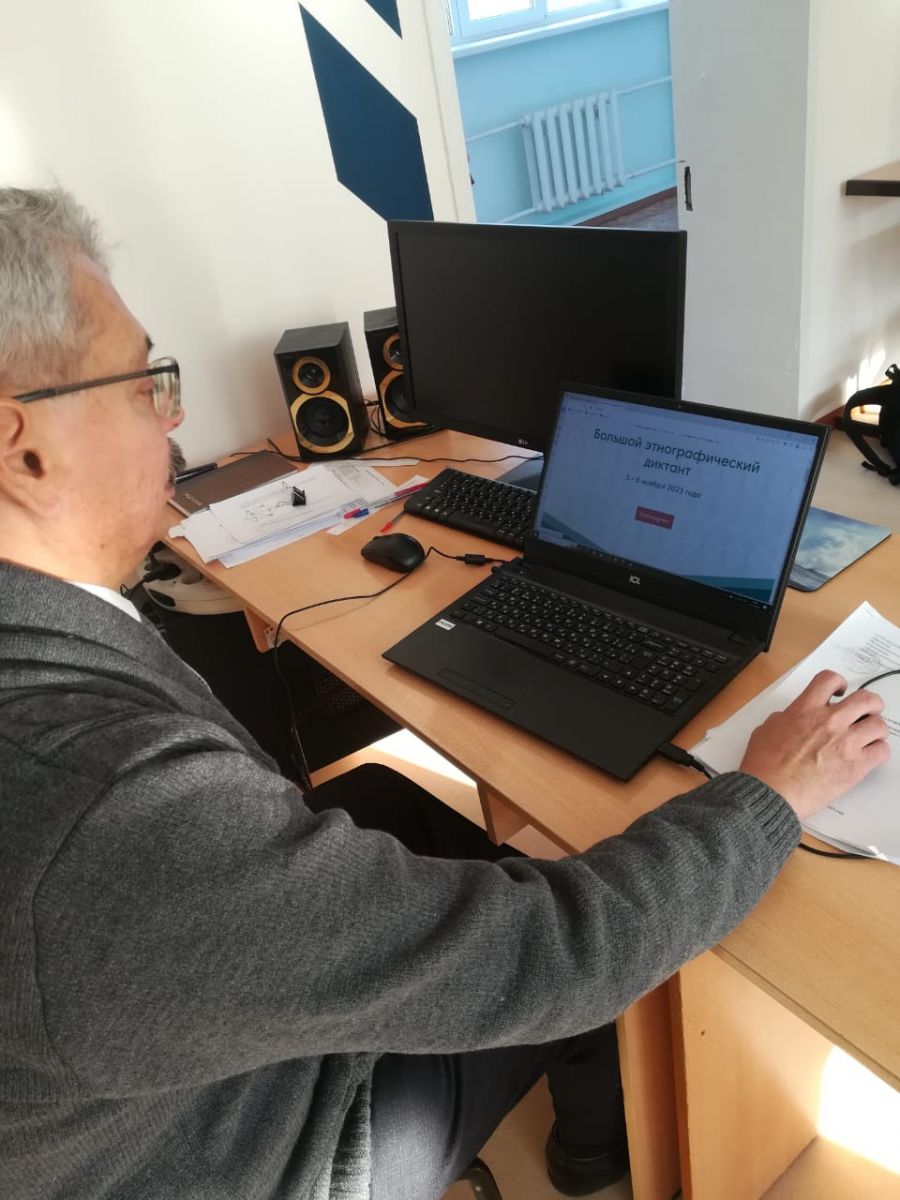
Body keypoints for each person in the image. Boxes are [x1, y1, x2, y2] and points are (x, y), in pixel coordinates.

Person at [0, 187, 890, 1200]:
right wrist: (767, 796)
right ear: (24, 448)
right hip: (251, 1144)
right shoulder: (112, 808)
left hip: (132, 1060)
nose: (176, 416)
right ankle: (593, 1154)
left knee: (389, 800)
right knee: (580, 924)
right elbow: (559, 955)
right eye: (143, 384)